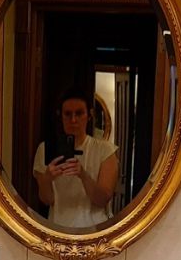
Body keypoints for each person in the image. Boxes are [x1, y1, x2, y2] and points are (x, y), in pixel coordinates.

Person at [32, 89, 118, 229]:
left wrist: (83, 175)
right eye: (67, 114)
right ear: (61, 116)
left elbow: (103, 199)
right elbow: (47, 200)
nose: (73, 120)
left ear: (89, 115)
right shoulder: (45, 149)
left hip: (95, 230)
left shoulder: (105, 150)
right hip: (58, 227)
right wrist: (47, 178)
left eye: (79, 113)